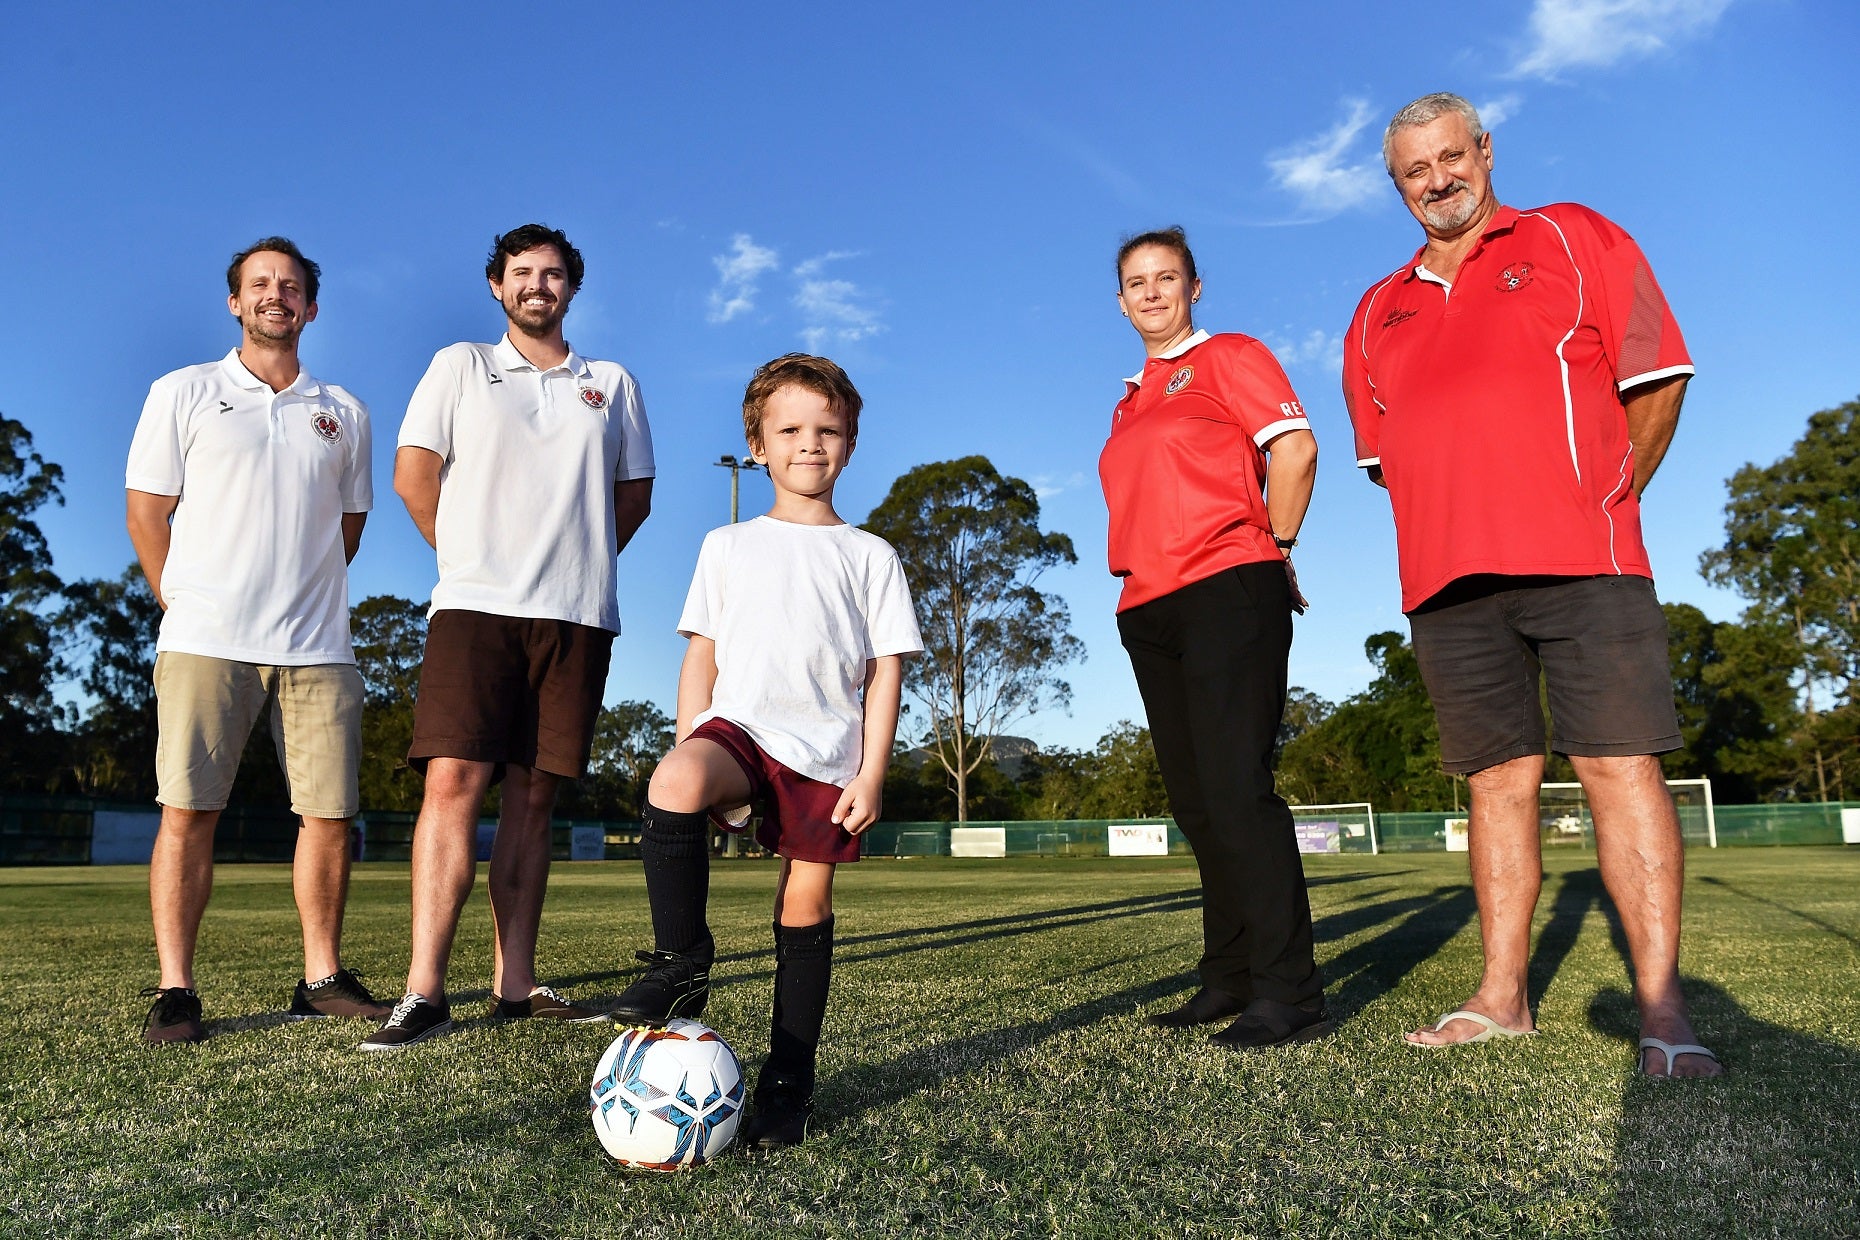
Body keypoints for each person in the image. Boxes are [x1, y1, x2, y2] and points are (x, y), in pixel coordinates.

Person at [1342, 93, 1722, 1077]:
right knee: (1495, 785)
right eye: (1414, 170)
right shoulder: (1376, 309)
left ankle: (1663, 1013)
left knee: (1619, 767)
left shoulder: (1573, 235)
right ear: (1397, 186)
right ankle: (1502, 995)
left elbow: (1660, 378)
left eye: (1450, 156)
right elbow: (1389, 457)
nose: (1437, 180)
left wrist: (1605, 498)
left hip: (1586, 564)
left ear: (1485, 151)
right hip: (1447, 585)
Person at [608, 353, 921, 1147]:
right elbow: (701, 658)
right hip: (738, 734)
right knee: (673, 776)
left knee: (804, 906)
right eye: (789, 429)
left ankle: (789, 1084)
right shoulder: (727, 545)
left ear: (849, 443)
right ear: (757, 445)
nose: (808, 444)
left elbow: (884, 675)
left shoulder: (871, 556)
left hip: (825, 757)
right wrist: (694, 753)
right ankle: (682, 959)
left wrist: (873, 771)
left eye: (826, 430)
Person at [363, 224, 655, 1050]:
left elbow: (631, 498)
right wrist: (475, 561)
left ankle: (515, 986)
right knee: (453, 779)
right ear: (498, 286)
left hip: (576, 615)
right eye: (522, 273)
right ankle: (424, 993)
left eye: (553, 274)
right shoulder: (461, 365)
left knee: (534, 795)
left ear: (572, 288)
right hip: (473, 609)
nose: (538, 285)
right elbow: (414, 478)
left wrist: (569, 562)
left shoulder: (613, 382)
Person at [126, 237, 388, 1044]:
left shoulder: (344, 412)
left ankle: (321, 976)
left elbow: (347, 529)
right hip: (207, 642)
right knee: (189, 813)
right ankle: (176, 989)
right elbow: (147, 511)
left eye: (292, 286)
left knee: (330, 818)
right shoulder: (184, 391)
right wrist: (184, 603)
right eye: (259, 285)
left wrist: (293, 598)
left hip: (318, 650)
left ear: (312, 305)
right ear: (235, 302)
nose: (276, 295)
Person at [1097, 228, 1328, 1050]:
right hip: (1148, 607)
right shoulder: (1130, 399)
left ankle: (1289, 990)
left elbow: (1295, 450)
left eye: (1167, 277)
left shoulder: (1229, 354)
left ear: (1196, 287)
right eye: (1136, 282)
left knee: (1237, 789)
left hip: (1229, 584)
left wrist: (1280, 549)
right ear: (1120, 300)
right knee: (1198, 805)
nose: (1152, 292)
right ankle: (1227, 977)